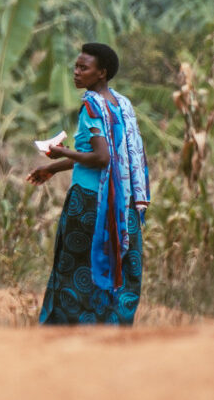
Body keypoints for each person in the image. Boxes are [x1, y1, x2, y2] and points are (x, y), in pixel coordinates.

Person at [27, 43, 150, 324]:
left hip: (89, 204)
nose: (76, 72)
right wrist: (52, 168)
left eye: (84, 68)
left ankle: (72, 332)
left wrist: (61, 152)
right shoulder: (120, 105)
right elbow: (108, 157)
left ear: (101, 73)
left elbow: (101, 158)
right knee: (120, 269)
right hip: (124, 204)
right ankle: (112, 328)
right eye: (76, 67)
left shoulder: (92, 107)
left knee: (75, 271)